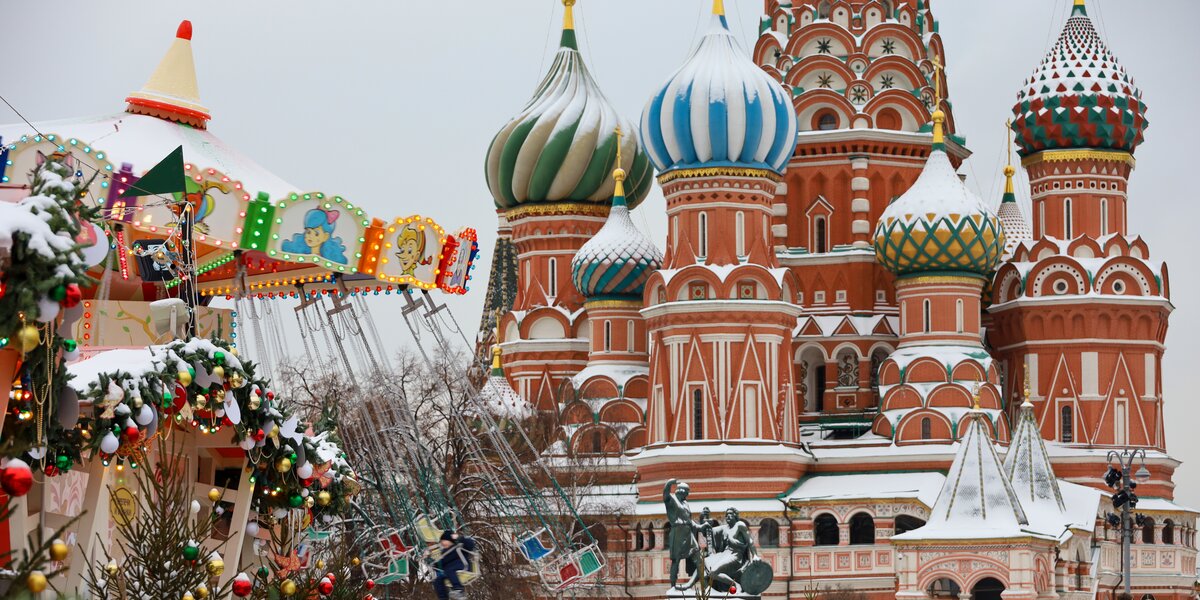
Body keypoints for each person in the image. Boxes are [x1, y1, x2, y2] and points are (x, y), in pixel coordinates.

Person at [663, 479, 702, 589]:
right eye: (686, 492)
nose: (687, 495)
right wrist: (669, 483)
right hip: (677, 532)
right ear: (680, 491)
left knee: (698, 557)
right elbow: (665, 494)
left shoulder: (685, 503)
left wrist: (700, 527)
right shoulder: (671, 499)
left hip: (688, 533)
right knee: (676, 560)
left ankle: (703, 583)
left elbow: (689, 520)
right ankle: (673, 586)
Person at [431, 529, 475, 600]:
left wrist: (459, 538)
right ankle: (443, 597)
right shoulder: (444, 553)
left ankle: (459, 590)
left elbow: (470, 545)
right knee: (437, 580)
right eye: (441, 541)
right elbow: (440, 564)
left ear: (450, 540)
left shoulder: (459, 547)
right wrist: (431, 561)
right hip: (449, 571)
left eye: (444, 540)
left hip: (462, 566)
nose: (442, 543)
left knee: (450, 570)